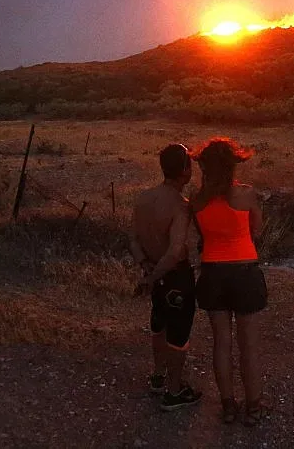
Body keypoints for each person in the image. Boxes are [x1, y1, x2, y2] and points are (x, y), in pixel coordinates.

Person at [190, 138, 269, 426]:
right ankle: (254, 406)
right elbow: (256, 231)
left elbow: (202, 236)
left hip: (212, 273)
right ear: (233, 164)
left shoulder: (196, 201)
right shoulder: (247, 195)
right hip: (244, 271)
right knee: (248, 344)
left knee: (221, 343)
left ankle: (228, 406)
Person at [130, 143, 202, 411]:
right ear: (185, 170)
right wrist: (152, 277)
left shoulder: (143, 198)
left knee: (158, 324)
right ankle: (174, 392)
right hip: (175, 278)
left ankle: (158, 376)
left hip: (154, 272)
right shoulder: (181, 206)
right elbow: (174, 252)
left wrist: (146, 268)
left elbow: (133, 239)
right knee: (179, 335)